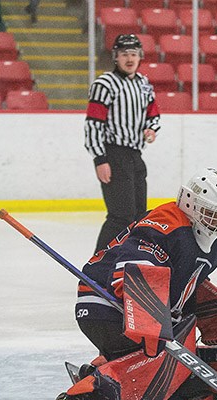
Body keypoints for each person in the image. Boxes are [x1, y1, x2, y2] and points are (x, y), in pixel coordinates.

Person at [38, 168, 217, 400]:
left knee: (181, 336)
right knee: (158, 349)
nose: (215, 221)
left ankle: (111, 370)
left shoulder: (213, 244)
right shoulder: (167, 223)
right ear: (189, 203)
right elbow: (134, 266)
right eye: (209, 212)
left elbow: (189, 288)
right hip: (106, 305)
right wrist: (149, 319)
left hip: (133, 308)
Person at [85, 33, 161, 253]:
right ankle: (96, 268)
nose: (130, 58)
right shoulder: (104, 84)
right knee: (121, 216)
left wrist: (151, 129)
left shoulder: (144, 84)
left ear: (140, 57)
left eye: (134, 54)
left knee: (139, 216)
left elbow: (153, 114)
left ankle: (126, 261)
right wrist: (100, 159)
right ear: (115, 57)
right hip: (113, 155)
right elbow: (93, 124)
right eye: (124, 54)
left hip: (136, 156)